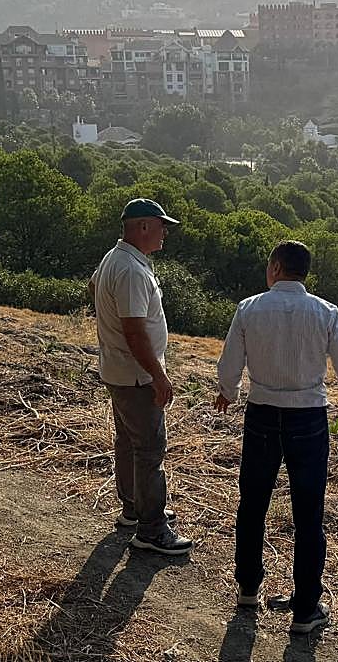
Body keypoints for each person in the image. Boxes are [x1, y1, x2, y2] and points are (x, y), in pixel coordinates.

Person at [215, 240, 338, 635]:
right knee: (308, 514)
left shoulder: (249, 308)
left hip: (261, 414)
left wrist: (228, 391)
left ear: (275, 267)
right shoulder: (325, 312)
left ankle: (248, 587)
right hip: (308, 419)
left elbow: (229, 364)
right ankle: (305, 608)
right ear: (303, 272)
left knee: (253, 502)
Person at [89, 198, 192, 556]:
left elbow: (94, 288)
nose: (166, 232)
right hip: (135, 377)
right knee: (149, 449)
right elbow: (135, 332)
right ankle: (151, 529)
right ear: (142, 226)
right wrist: (158, 376)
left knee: (129, 442)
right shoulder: (131, 270)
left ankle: (134, 510)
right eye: (162, 225)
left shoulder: (115, 259)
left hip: (118, 370)